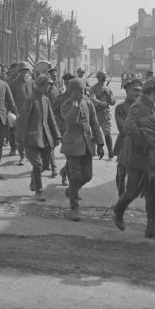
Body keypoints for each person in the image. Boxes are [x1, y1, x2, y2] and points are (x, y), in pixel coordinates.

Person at [112, 78, 155, 241]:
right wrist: (147, 138)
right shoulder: (139, 106)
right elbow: (128, 127)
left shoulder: (148, 105)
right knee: (132, 190)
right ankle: (118, 211)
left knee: (152, 191)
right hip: (138, 155)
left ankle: (151, 229)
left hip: (149, 156)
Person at [60, 78, 105, 221]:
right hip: (72, 146)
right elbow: (71, 120)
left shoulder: (88, 103)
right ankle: (74, 208)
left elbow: (95, 124)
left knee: (88, 176)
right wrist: (75, 104)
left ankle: (71, 191)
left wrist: (100, 143)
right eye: (78, 91)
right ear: (71, 91)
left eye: (83, 90)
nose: (81, 93)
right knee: (75, 176)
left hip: (86, 145)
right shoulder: (66, 105)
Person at [17, 74, 61, 201]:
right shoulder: (31, 99)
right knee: (38, 165)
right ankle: (38, 191)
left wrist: (57, 135)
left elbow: (51, 119)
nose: (49, 87)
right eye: (47, 84)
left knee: (45, 165)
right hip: (32, 138)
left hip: (46, 138)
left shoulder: (45, 99)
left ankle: (34, 179)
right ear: (41, 85)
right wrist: (20, 138)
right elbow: (22, 120)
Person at [112, 78, 142, 196]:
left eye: (139, 91)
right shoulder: (121, 108)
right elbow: (122, 127)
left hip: (140, 144)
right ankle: (120, 195)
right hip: (124, 143)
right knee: (122, 171)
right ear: (127, 91)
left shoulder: (144, 107)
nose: (138, 93)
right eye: (134, 90)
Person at [9, 61, 35, 164]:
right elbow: (10, 100)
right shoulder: (13, 83)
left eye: (26, 71)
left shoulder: (32, 83)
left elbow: (35, 97)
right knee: (19, 136)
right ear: (18, 72)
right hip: (18, 113)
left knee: (29, 135)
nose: (24, 73)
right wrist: (13, 113)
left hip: (30, 113)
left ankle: (28, 154)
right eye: (22, 71)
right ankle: (22, 155)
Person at [53, 72, 75, 186]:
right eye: (66, 81)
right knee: (70, 156)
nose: (67, 83)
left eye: (70, 81)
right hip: (64, 130)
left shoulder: (79, 96)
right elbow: (53, 113)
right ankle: (66, 178)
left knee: (74, 157)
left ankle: (64, 172)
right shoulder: (60, 98)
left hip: (77, 131)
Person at [89, 71, 116, 159]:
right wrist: (100, 103)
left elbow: (113, 102)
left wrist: (110, 97)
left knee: (107, 133)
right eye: (102, 77)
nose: (104, 78)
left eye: (105, 77)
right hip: (96, 114)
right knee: (94, 133)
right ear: (98, 78)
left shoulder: (108, 89)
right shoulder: (93, 88)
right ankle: (93, 150)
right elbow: (92, 98)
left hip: (105, 114)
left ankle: (110, 151)